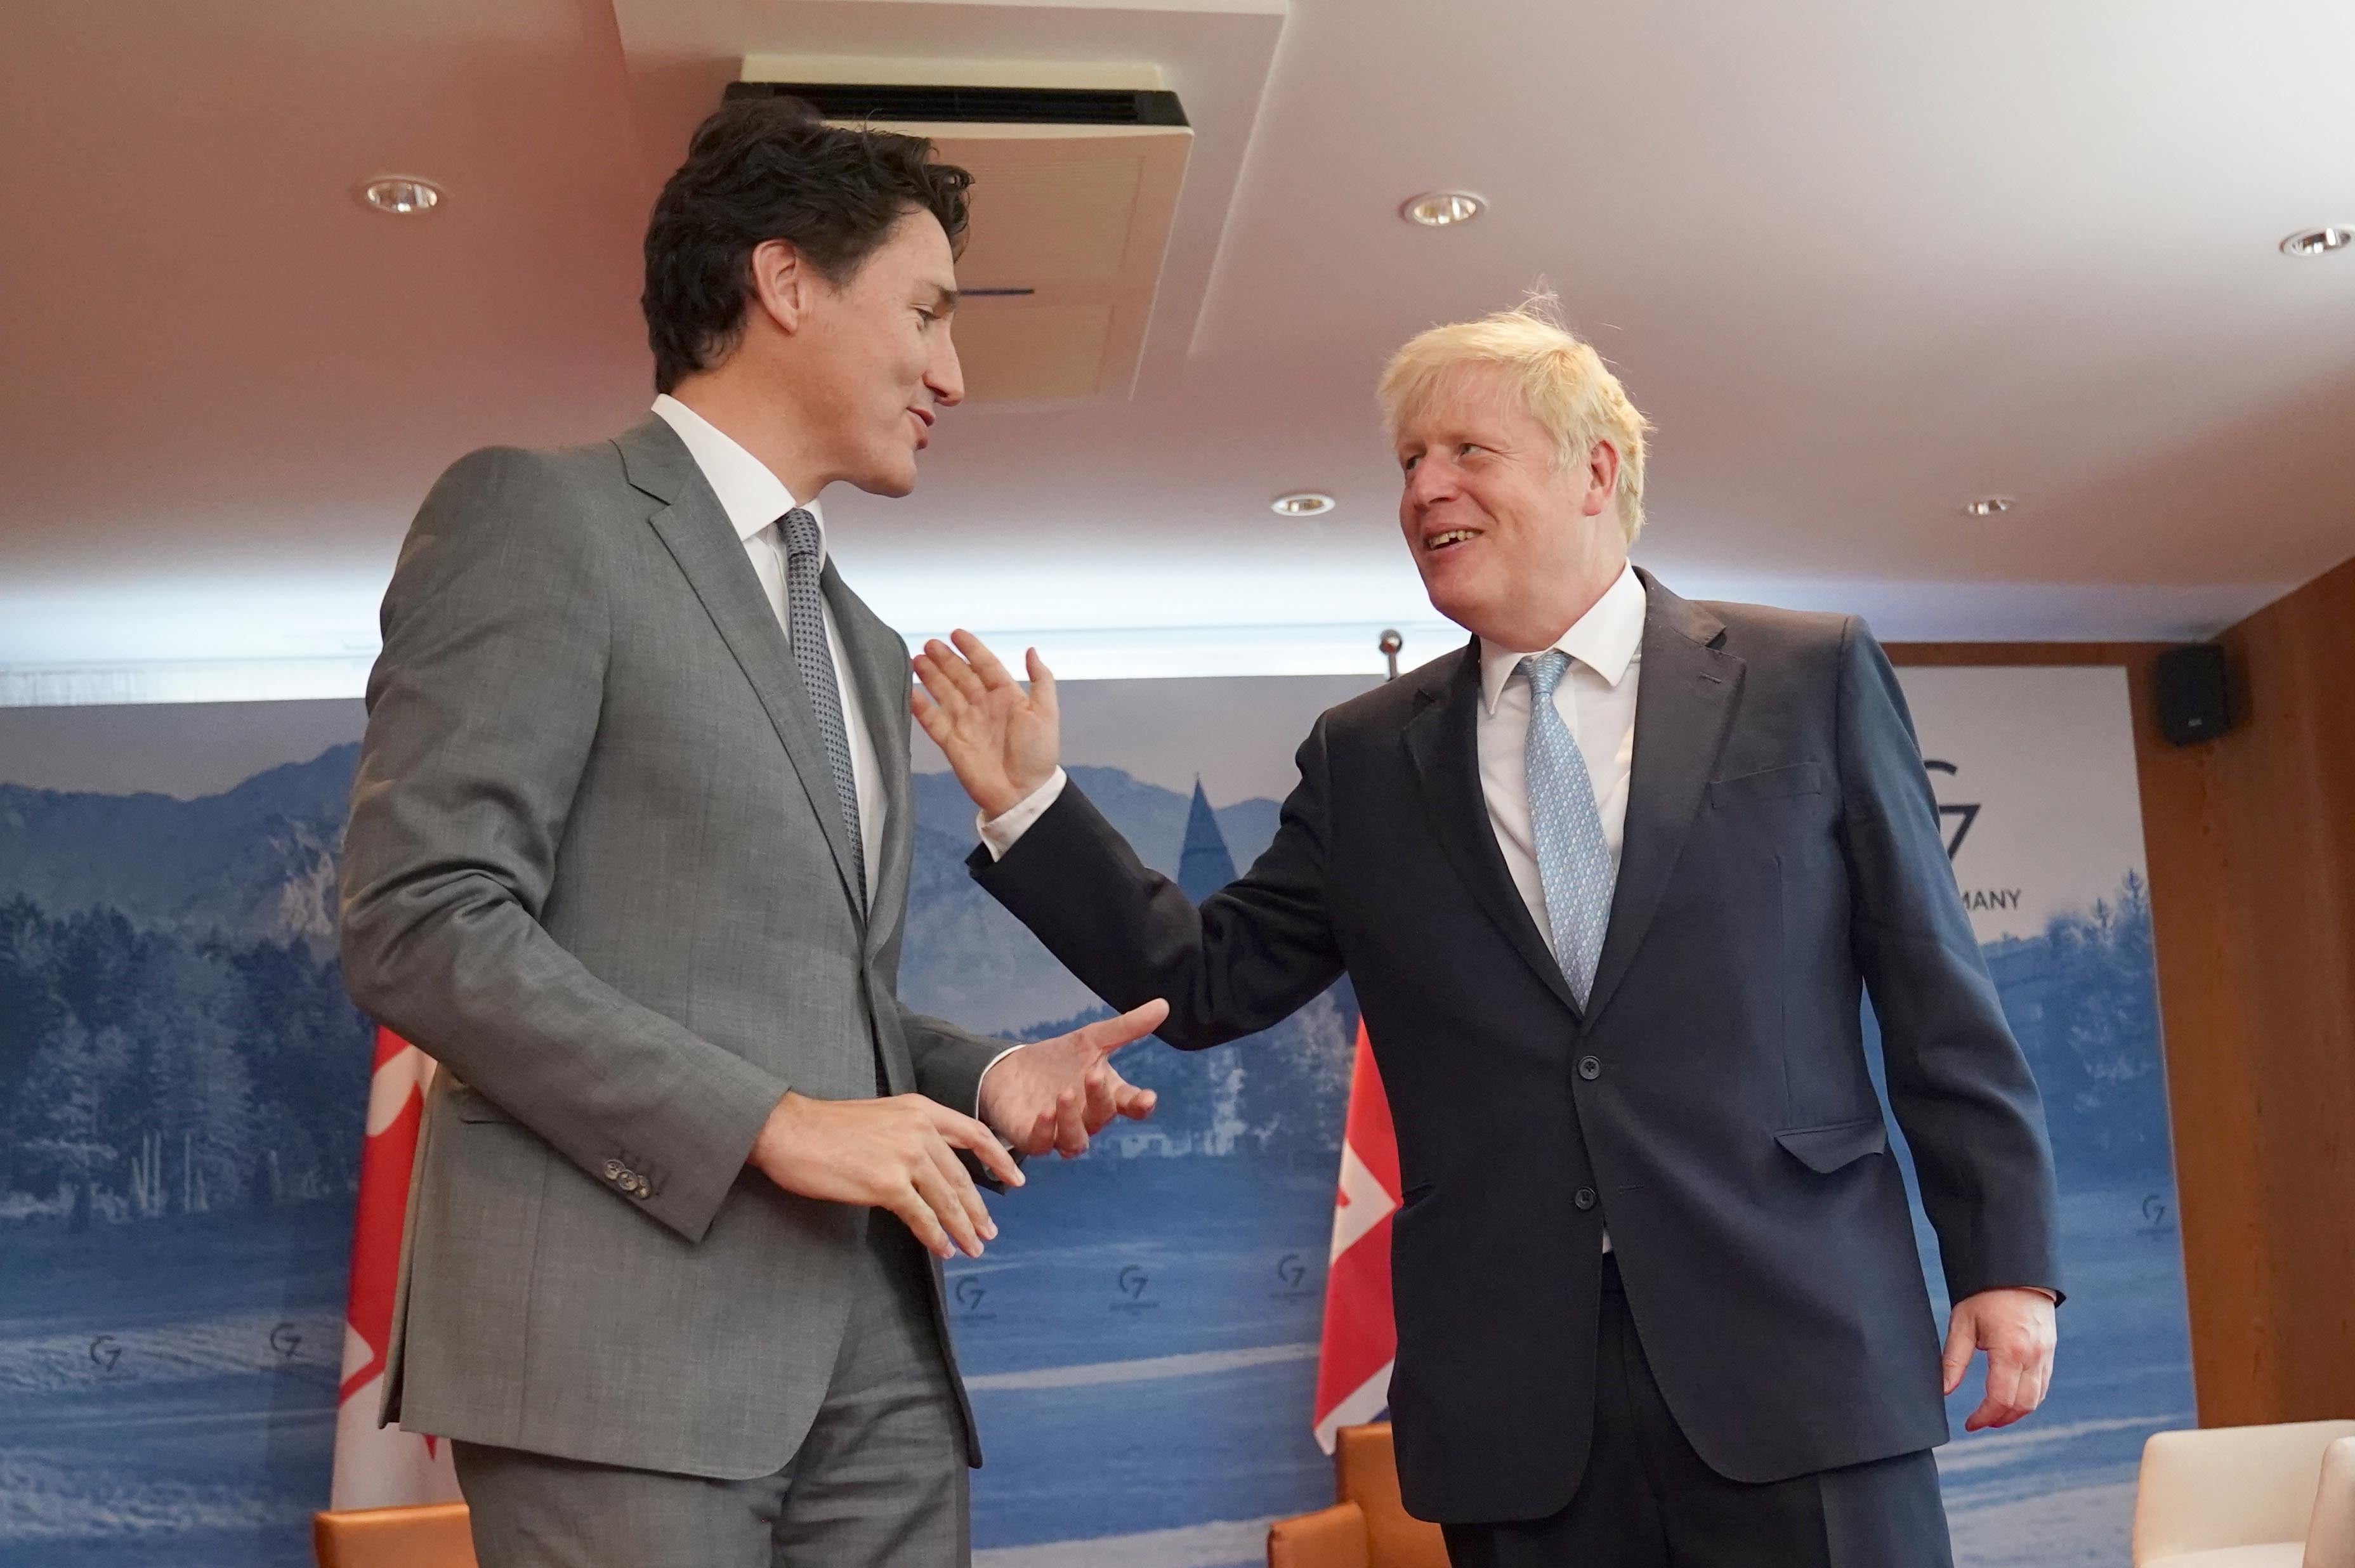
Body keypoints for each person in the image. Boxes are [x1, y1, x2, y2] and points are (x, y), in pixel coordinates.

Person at [911, 299, 2063, 1567]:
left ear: (1594, 471)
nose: (1421, 490)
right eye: (1406, 462)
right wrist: (1028, 803)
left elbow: (1934, 997)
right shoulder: (1365, 759)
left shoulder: (1805, 678)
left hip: (1797, 1355)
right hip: (1518, 1406)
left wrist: (2003, 1263)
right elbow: (1204, 980)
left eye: (1464, 451)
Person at [337, 98, 1163, 1568]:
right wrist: (770, 1127)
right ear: (784, 284)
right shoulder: (538, 517)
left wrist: (988, 1078)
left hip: (880, 1355)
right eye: (926, 312)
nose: (953, 375)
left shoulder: (855, 637)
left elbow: (803, 993)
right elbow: (421, 919)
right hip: (615, 1354)